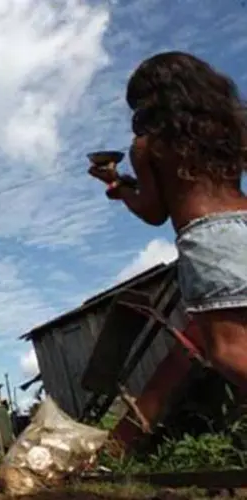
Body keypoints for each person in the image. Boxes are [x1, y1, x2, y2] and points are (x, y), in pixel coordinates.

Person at [88, 51, 247, 391]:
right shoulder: (227, 129)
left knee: (230, 353)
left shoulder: (146, 146)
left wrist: (118, 188)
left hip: (208, 241)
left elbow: (154, 211)